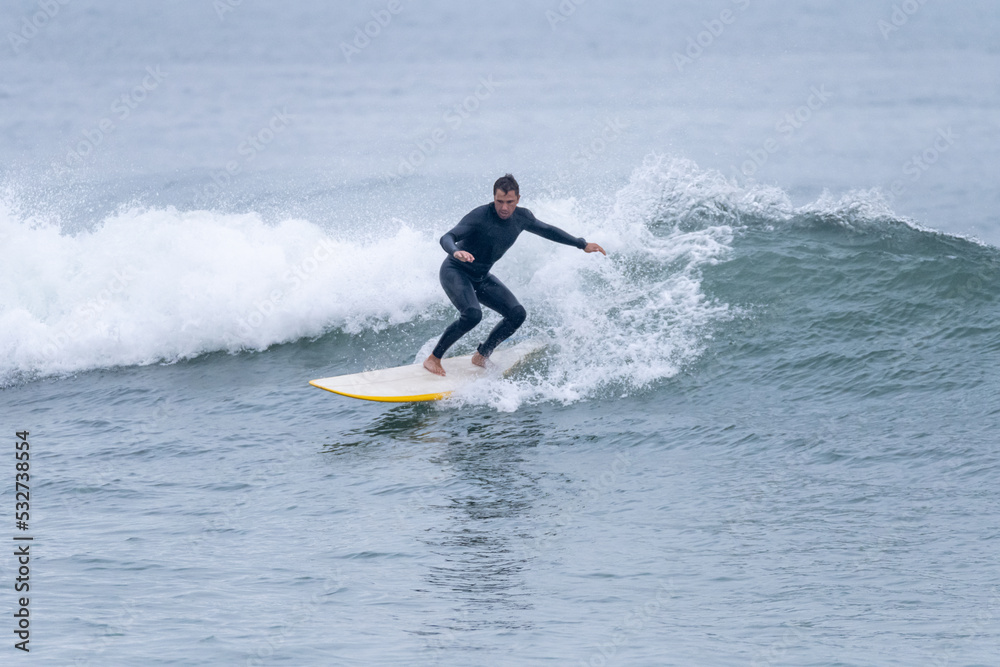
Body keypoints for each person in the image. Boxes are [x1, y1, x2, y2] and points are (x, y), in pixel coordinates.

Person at [423, 174, 606, 376]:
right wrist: (455, 251)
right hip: (455, 271)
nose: (504, 207)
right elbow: (447, 237)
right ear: (493, 198)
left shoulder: (522, 217)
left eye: (509, 202)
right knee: (472, 315)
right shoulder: (480, 216)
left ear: (518, 199)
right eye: (499, 201)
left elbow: (548, 230)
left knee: (517, 314)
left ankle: (482, 355)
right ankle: (433, 358)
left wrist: (582, 244)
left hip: (481, 276)